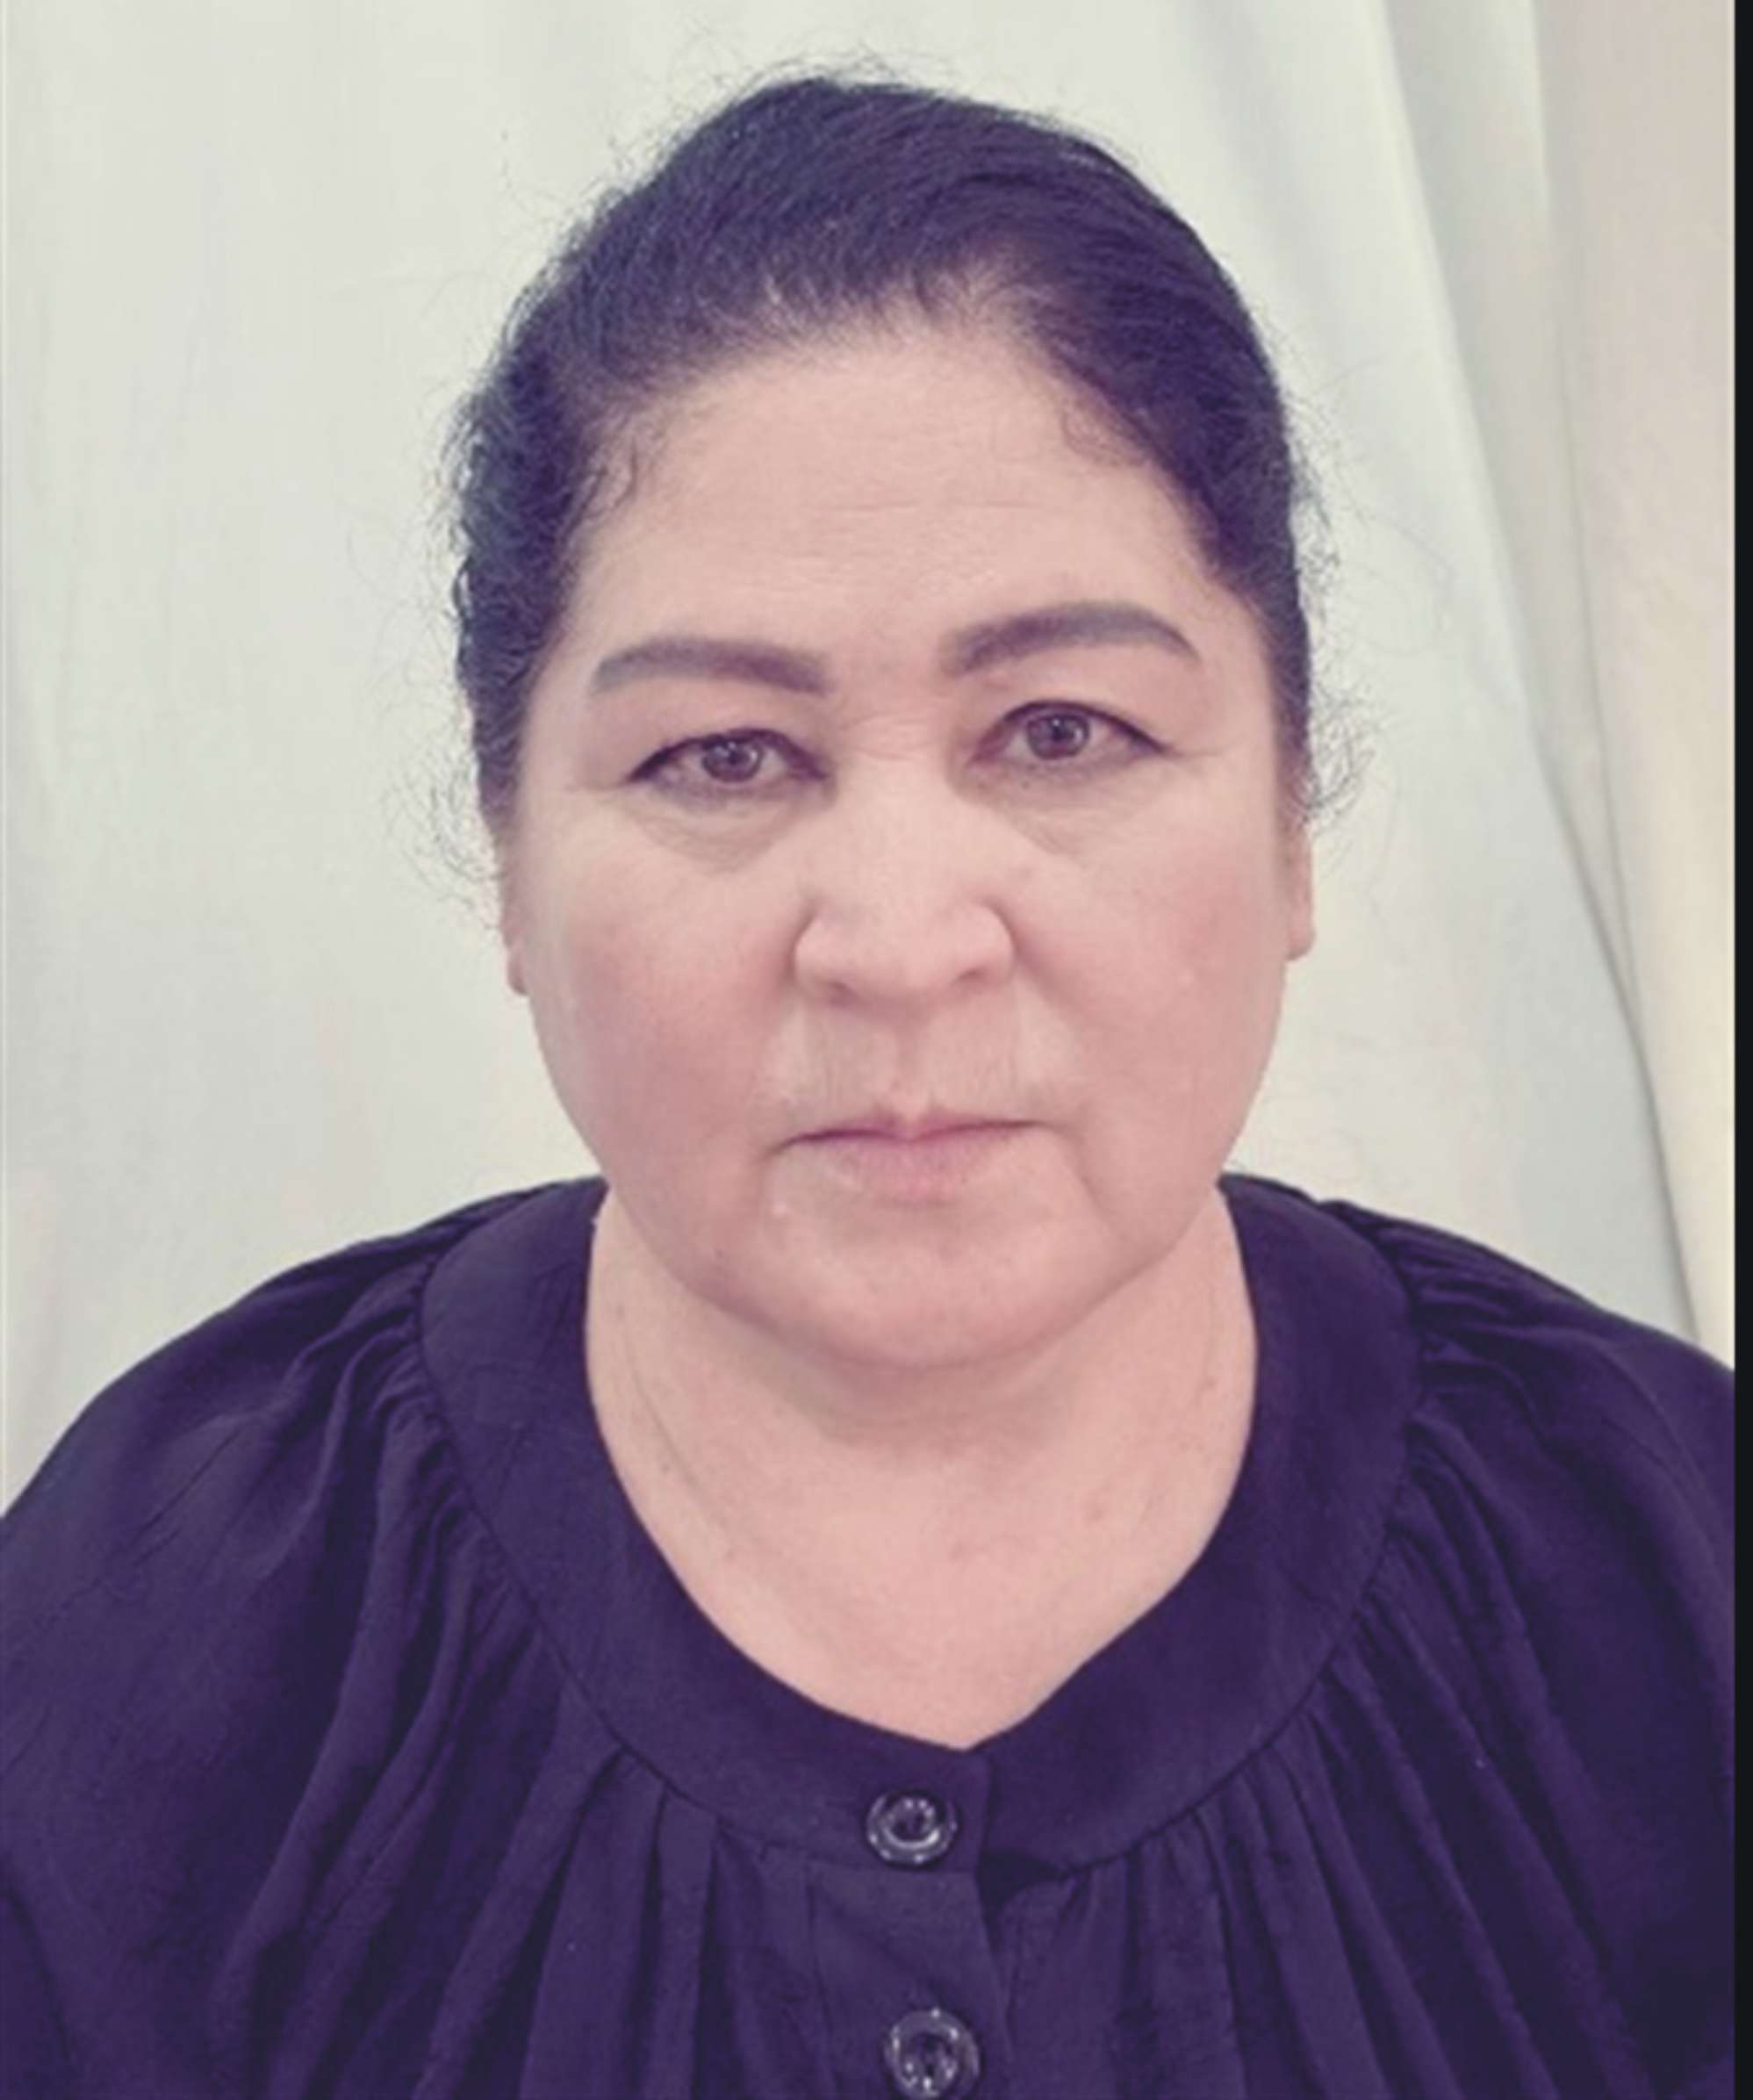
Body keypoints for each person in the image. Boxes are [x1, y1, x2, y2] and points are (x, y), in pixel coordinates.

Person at [1, 68, 1729, 2100]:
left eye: (1062, 729)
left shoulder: (1668, 1576)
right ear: (510, 851)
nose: (901, 941)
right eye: (724, 756)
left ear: (1289, 817)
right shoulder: (172, 1614)